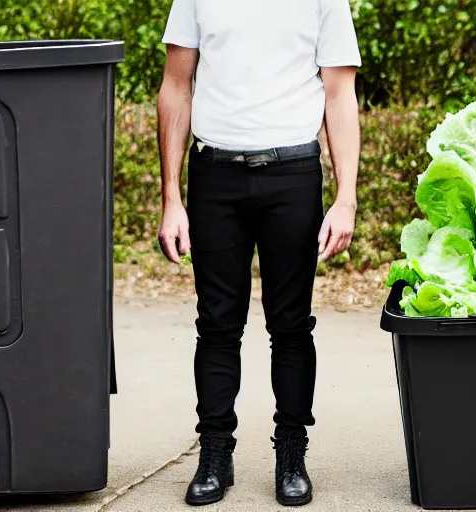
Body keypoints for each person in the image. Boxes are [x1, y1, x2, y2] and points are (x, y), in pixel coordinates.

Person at [157, 0, 361, 506]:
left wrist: (346, 198)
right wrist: (171, 198)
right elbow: (176, 87)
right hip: (215, 176)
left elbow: (339, 94)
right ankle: (215, 455)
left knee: (290, 326)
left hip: (292, 174)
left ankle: (291, 453)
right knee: (218, 324)